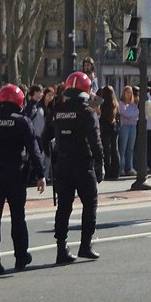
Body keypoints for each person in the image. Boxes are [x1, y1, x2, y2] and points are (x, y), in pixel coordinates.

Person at [0, 83, 46, 276]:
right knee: (18, 217)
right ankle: (21, 256)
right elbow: (34, 151)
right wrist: (40, 175)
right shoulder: (22, 122)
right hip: (16, 174)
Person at [48, 71, 104, 264]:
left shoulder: (59, 110)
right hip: (83, 164)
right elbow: (95, 141)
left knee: (64, 207)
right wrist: (100, 163)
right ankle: (85, 245)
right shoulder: (88, 112)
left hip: (63, 164)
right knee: (90, 204)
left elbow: (46, 136)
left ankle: (61, 249)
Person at [97, 85, 120, 180]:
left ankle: (108, 171)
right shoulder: (115, 104)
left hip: (105, 127)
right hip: (114, 127)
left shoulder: (103, 104)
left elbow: (100, 116)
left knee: (106, 150)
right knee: (115, 149)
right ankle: (116, 171)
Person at [117, 84, 139, 175]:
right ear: (124, 93)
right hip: (124, 127)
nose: (129, 95)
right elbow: (125, 113)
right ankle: (121, 168)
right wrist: (131, 114)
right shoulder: (120, 103)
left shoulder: (133, 104)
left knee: (130, 148)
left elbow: (137, 113)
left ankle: (129, 167)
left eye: (130, 93)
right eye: (127, 92)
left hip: (133, 126)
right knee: (123, 147)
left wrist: (131, 114)